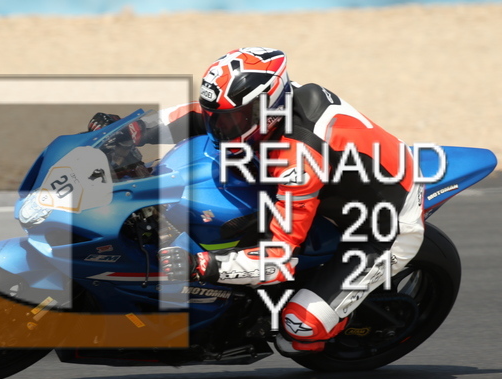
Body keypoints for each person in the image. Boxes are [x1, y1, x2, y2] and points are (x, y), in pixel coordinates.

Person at [88, 47, 425, 354]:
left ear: (268, 109)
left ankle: (340, 323)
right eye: (218, 117)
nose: (219, 127)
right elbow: (195, 115)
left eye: (231, 119)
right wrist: (131, 131)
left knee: (299, 331)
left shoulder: (299, 159)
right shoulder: (269, 109)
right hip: (329, 187)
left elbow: (278, 258)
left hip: (382, 227)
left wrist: (201, 265)